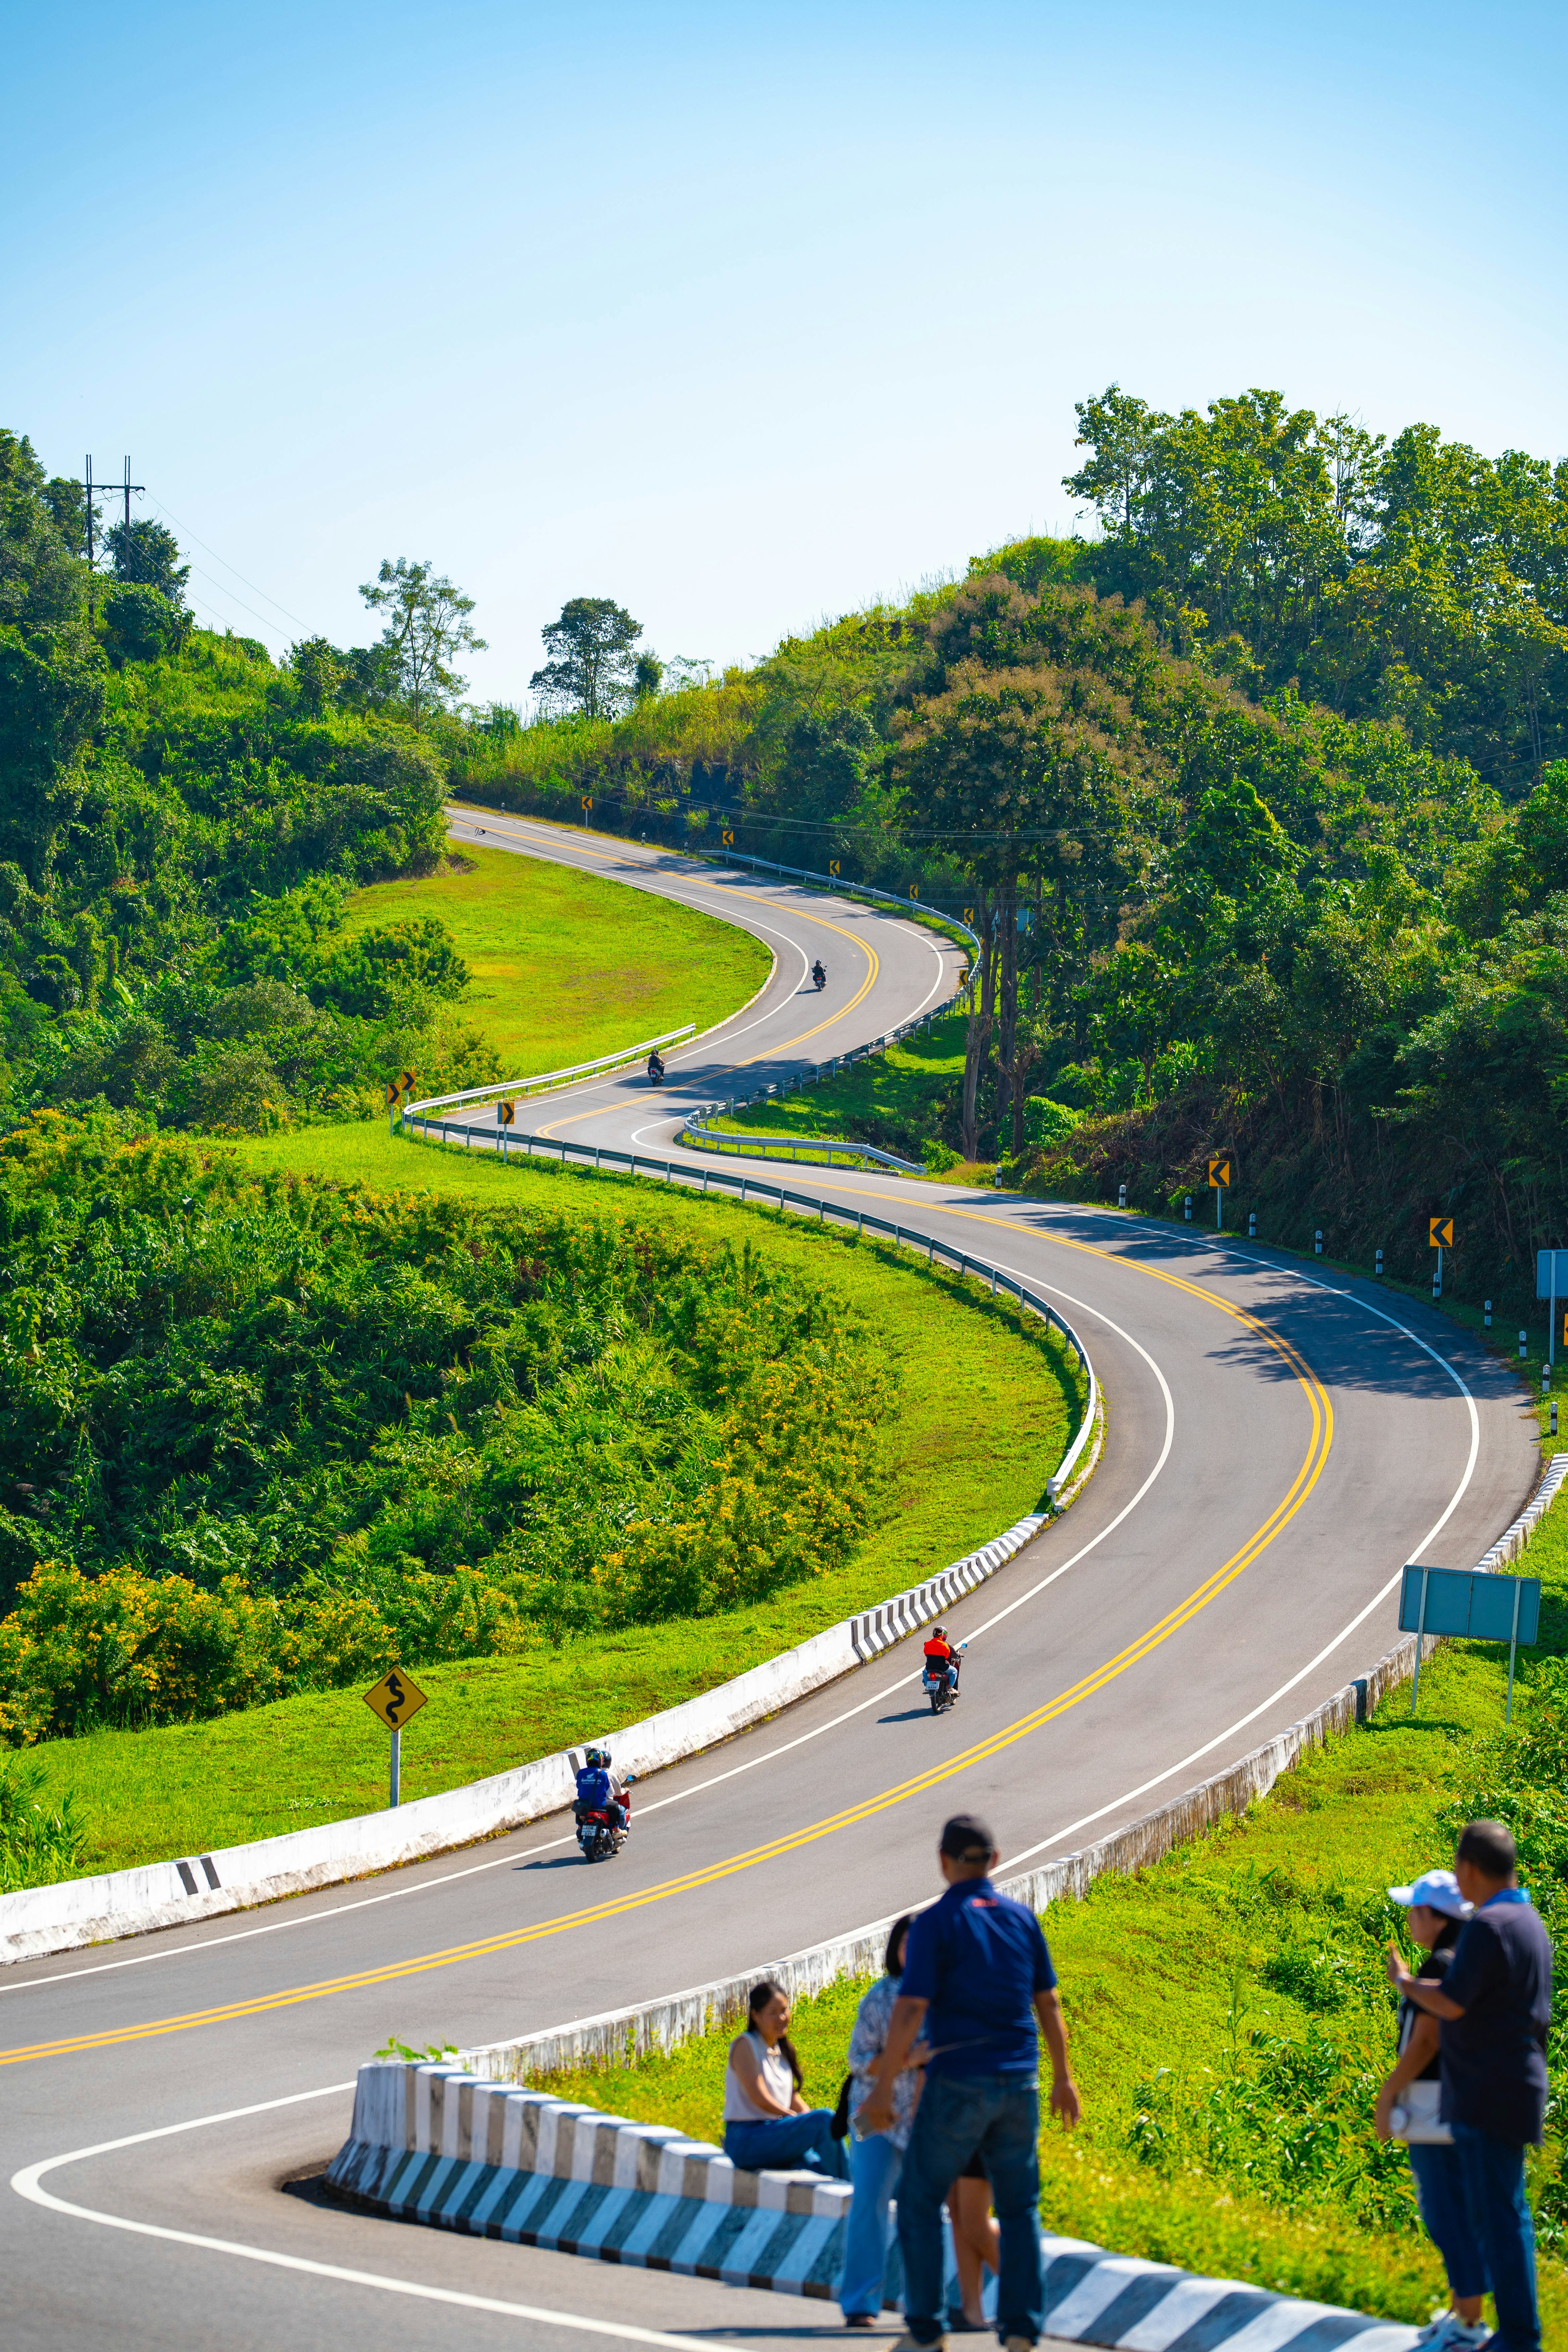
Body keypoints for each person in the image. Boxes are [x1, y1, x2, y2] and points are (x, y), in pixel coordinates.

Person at [860, 1814, 1080, 2352]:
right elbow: (1048, 2003)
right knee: (1020, 2207)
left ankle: (929, 2329)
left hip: (958, 2080)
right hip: (1020, 2083)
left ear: (943, 1862)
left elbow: (912, 2008)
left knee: (918, 2198)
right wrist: (1063, 2079)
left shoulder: (937, 1922)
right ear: (996, 1861)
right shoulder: (1022, 1920)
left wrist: (885, 2090)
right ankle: (1023, 2330)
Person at [1386, 1820, 1553, 2352]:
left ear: (1468, 1870)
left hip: (1487, 2089)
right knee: (1509, 2213)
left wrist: (1407, 1985)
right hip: (1520, 2084)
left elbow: (1453, 2003)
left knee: (1495, 2218)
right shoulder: (1528, 1920)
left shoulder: (1488, 1926)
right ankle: (1518, 2333)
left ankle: (1519, 2338)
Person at [1375, 1869, 1487, 2350]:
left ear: (1434, 1917)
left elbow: (1425, 2043)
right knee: (1456, 2211)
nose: (1409, 1920)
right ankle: (1462, 2312)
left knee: (1445, 2216)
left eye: (1413, 1911)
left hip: (1432, 2107)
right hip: (1459, 2103)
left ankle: (1468, 2326)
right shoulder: (1458, 1960)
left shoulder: (1440, 1965)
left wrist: (1387, 2096)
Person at [840, 1915, 922, 2328]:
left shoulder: (944, 1999)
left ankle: (923, 2307)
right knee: (868, 2203)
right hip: (875, 2117)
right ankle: (860, 2302)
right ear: (895, 1948)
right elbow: (858, 2060)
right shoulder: (879, 1998)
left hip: (923, 2119)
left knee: (921, 2212)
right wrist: (908, 2060)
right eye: (908, 1942)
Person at [724, 1979, 848, 2180]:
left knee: (820, 2168)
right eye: (773, 2012)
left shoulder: (783, 2052)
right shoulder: (745, 2045)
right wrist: (798, 2119)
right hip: (747, 2138)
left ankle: (852, 2189)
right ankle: (853, 2192)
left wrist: (812, 2123)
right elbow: (759, 2096)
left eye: (785, 2010)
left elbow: (794, 2101)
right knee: (823, 2119)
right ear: (756, 2015)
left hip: (776, 2135)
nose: (782, 2017)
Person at [947, 2154, 1000, 2332]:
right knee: (955, 2207)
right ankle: (972, 2312)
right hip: (952, 2131)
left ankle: (1025, 2300)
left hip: (981, 2132)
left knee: (975, 2222)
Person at [573, 1747, 628, 1833]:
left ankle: (580, 1826)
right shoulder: (602, 1774)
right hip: (600, 1804)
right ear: (600, 1761)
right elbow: (606, 1787)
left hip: (585, 1804)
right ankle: (617, 1829)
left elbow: (579, 1786)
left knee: (578, 1805)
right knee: (615, 1806)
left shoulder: (581, 1773)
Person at [922, 1627, 960, 1698]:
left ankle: (928, 1686)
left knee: (924, 1673)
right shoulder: (945, 1645)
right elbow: (947, 1656)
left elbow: (926, 1654)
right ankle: (950, 1688)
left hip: (930, 1667)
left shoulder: (927, 1644)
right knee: (954, 1671)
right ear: (942, 1635)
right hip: (942, 1667)